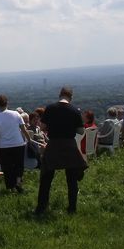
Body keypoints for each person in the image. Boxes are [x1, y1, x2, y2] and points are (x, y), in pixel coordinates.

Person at [35, 87, 87, 216]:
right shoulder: (74, 110)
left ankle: (41, 208)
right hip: (69, 145)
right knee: (72, 179)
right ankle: (72, 208)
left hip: (53, 144)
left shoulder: (50, 108)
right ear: (71, 97)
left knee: (46, 178)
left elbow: (42, 127)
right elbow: (81, 131)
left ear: (60, 95)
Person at [0, 96, 31, 193]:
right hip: (19, 143)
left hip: (4, 146)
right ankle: (18, 182)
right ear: (7, 103)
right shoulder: (16, 114)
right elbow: (24, 129)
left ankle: (11, 188)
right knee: (19, 165)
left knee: (7, 167)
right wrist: (29, 140)